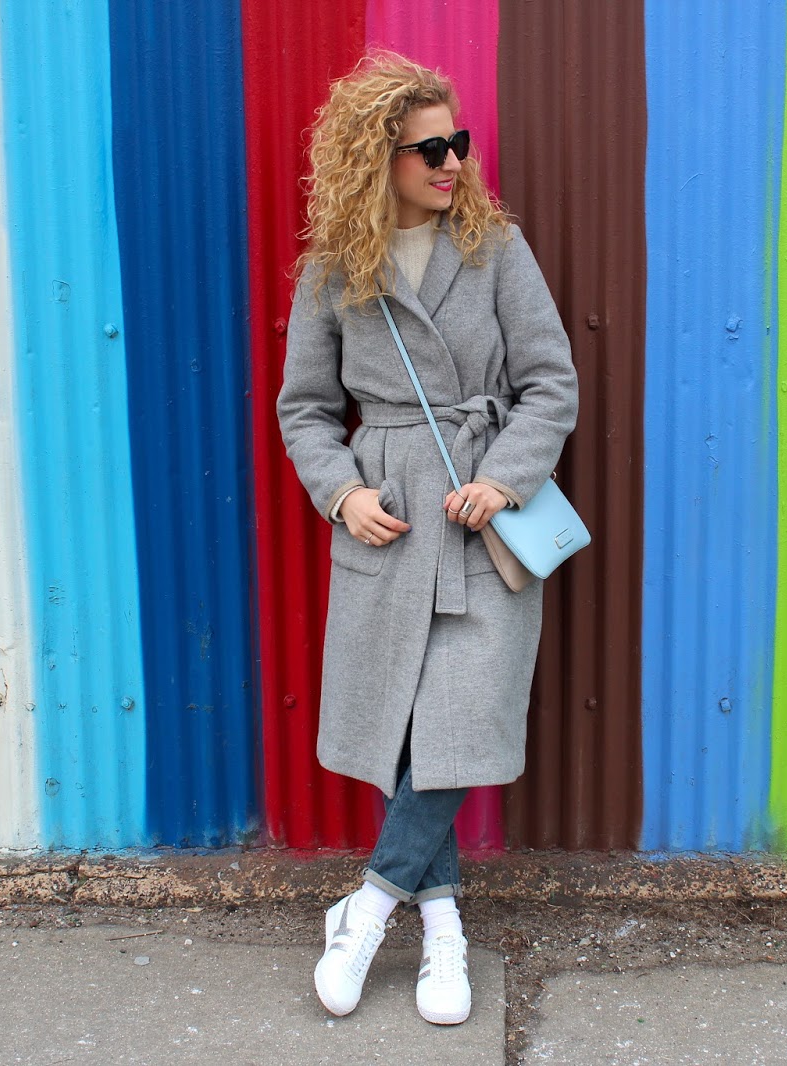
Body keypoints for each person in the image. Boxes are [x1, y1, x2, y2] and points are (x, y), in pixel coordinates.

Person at [277, 51, 578, 1026]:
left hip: (482, 520)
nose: (453, 163)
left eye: (460, 143)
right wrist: (342, 494)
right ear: (380, 159)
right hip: (392, 521)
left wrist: (506, 476)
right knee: (406, 730)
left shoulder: (496, 249)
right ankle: (442, 921)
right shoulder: (334, 271)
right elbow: (304, 409)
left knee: (462, 716)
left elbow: (550, 381)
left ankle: (367, 911)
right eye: (430, 149)